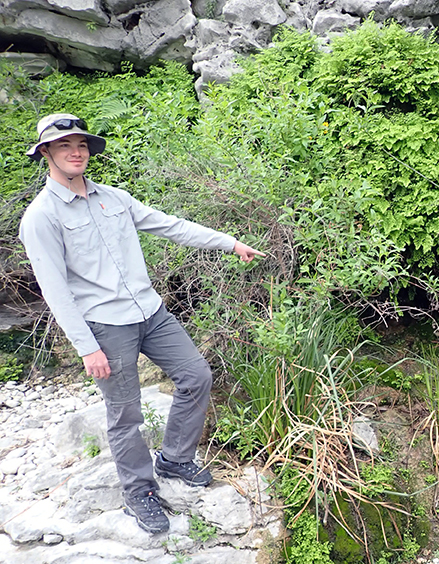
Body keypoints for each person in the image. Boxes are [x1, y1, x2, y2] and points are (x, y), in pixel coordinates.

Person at [18, 113, 265, 535]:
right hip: (104, 326)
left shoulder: (114, 198)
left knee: (196, 376)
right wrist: (86, 346)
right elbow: (55, 291)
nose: (75, 152)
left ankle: (174, 458)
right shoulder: (41, 217)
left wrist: (230, 242)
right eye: (64, 146)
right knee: (125, 412)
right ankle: (139, 493)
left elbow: (171, 226)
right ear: (46, 153)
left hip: (150, 312)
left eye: (81, 144)